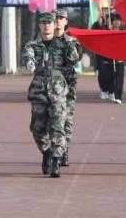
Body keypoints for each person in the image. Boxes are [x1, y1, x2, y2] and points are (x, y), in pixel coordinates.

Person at [23, 11, 79, 178]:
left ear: (55, 25)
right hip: (39, 91)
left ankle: (56, 160)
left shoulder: (64, 43)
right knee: (37, 129)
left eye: (49, 23)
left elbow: (74, 59)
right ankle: (46, 152)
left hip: (58, 91)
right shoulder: (32, 45)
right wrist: (30, 63)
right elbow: (28, 56)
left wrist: (70, 44)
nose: (46, 26)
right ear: (39, 25)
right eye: (43, 23)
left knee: (58, 126)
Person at [53, 8, 83, 167]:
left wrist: (70, 42)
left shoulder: (72, 40)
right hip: (51, 84)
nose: (58, 20)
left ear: (66, 21)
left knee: (67, 118)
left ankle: (65, 150)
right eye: (56, 18)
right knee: (53, 118)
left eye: (61, 18)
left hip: (69, 82)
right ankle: (54, 149)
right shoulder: (46, 39)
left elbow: (75, 59)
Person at [91, 7, 111, 99]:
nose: (105, 13)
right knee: (102, 72)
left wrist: (110, 27)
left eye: (107, 10)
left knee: (111, 73)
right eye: (103, 11)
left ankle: (111, 90)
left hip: (111, 53)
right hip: (101, 52)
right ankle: (103, 90)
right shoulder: (97, 24)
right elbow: (91, 33)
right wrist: (99, 25)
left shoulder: (113, 22)